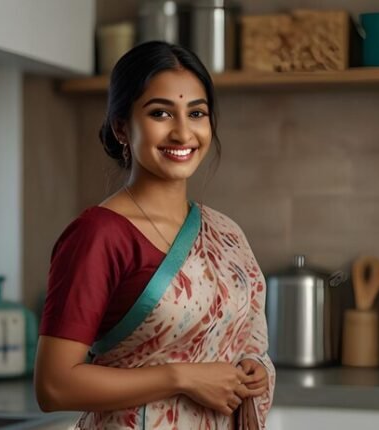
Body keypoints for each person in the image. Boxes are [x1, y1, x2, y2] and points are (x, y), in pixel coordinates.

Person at [34, 41, 275, 430]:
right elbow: (54, 386)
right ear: (121, 128)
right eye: (160, 113)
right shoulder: (98, 235)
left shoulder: (226, 231)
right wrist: (182, 377)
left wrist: (252, 370)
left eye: (196, 113)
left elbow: (247, 341)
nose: (183, 133)